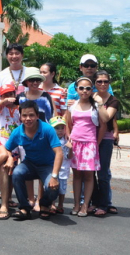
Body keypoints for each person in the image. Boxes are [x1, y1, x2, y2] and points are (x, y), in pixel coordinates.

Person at [4, 100, 63, 220]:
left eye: (31, 115)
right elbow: (6, 149)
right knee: (17, 173)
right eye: (24, 115)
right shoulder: (17, 132)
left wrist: (54, 176)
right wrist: (9, 157)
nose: (28, 118)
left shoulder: (47, 129)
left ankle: (44, 203)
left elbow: (59, 153)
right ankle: (25, 208)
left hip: (47, 166)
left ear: (37, 115)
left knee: (53, 188)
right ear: (20, 116)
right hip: (29, 164)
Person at [66, 76, 103, 217]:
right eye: (81, 88)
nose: (84, 91)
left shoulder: (95, 106)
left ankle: (85, 205)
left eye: (88, 88)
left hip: (90, 145)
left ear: (91, 90)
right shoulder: (72, 106)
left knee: (88, 176)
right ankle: (76, 204)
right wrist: (70, 139)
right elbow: (68, 124)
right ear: (76, 89)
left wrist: (96, 143)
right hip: (75, 145)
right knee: (76, 175)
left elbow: (102, 125)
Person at [93, 70, 120, 215]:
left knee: (102, 173)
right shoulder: (89, 96)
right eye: (99, 81)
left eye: (105, 81)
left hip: (106, 139)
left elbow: (106, 118)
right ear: (95, 83)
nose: (103, 84)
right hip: (89, 138)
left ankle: (103, 205)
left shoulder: (113, 100)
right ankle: (94, 202)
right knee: (89, 173)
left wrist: (99, 103)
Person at [49, 116, 73, 215]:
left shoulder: (66, 141)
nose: (60, 130)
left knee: (62, 188)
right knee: (53, 187)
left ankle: (61, 205)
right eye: (57, 128)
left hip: (64, 169)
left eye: (62, 128)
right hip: (53, 169)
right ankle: (52, 204)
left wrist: (71, 148)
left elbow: (69, 156)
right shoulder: (50, 141)